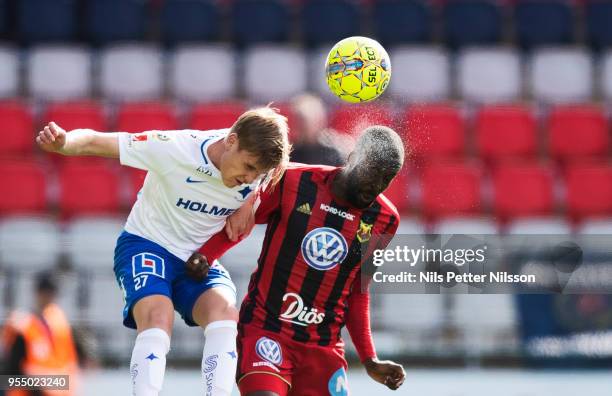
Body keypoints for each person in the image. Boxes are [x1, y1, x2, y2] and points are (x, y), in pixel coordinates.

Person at [35, 107, 291, 396]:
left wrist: (250, 200)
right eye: (248, 167)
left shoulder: (260, 174)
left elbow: (291, 180)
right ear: (231, 141)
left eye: (258, 173)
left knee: (226, 315)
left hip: (197, 259)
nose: (250, 178)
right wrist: (65, 142)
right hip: (146, 244)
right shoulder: (176, 148)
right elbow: (98, 140)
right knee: (158, 315)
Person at [190, 125, 407, 395]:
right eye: (373, 173)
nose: (377, 185)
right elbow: (241, 224)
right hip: (267, 330)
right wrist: (206, 255)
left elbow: (357, 291)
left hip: (323, 349)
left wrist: (369, 359)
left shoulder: (385, 219)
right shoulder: (294, 181)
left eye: (387, 179)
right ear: (353, 158)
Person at [1, 272, 80, 396]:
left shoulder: (58, 325)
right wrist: (39, 389)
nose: (50, 297)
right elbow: (9, 375)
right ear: (39, 293)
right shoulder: (22, 326)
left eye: (52, 293)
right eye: (47, 292)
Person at [289, 94, 344, 166]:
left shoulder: (335, 150)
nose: (299, 125)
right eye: (297, 120)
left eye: (303, 121)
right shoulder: (291, 152)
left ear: (318, 121)